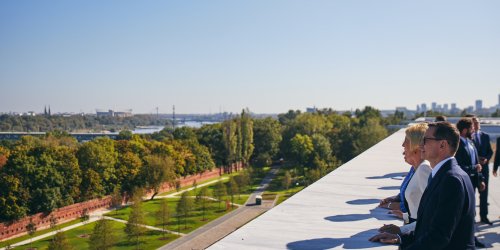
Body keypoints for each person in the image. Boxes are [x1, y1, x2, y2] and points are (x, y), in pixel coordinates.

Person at [370, 121, 475, 249]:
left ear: (442, 145)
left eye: (425, 140)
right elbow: (428, 227)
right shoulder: (444, 174)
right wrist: (400, 238)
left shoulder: (451, 180)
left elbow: (439, 237)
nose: (420, 145)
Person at [378, 123, 431, 235]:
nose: (402, 145)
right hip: (413, 229)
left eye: (406, 141)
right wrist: (405, 217)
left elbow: (431, 217)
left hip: (420, 235)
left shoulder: (424, 169)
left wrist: (401, 231)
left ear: (416, 145)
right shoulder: (416, 168)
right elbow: (416, 210)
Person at [470, 116, 493, 225]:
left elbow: (490, 151)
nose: (477, 124)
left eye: (478, 122)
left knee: (484, 194)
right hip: (473, 171)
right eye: (474, 123)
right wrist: (477, 159)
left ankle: (484, 217)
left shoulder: (485, 136)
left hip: (484, 170)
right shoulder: (469, 138)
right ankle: (472, 218)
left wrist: (486, 159)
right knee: (472, 195)